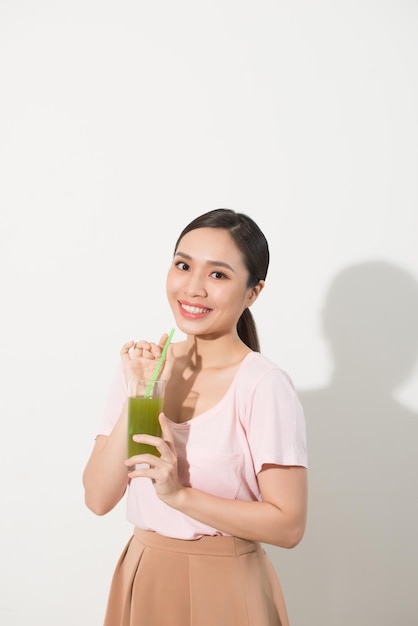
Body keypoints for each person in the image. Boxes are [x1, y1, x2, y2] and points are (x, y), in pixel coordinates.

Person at [82, 208, 308, 626]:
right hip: (143, 572)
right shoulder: (143, 368)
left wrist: (180, 496)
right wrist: (141, 397)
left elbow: (288, 525)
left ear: (252, 292)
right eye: (183, 265)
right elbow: (98, 498)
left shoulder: (263, 384)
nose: (193, 287)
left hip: (226, 587)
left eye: (218, 275)